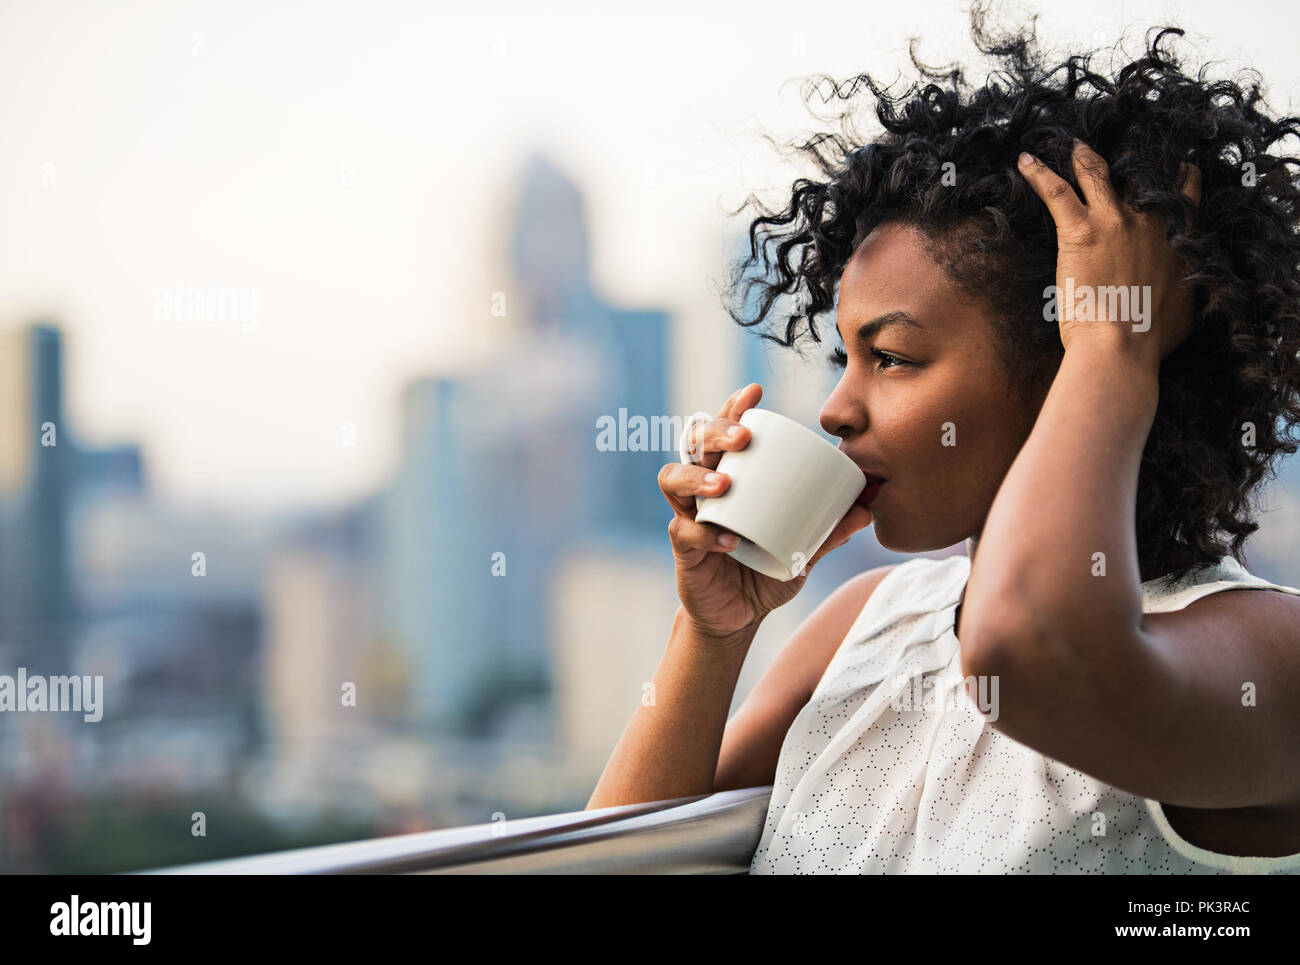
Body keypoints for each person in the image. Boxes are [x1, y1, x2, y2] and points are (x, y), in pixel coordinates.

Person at [587, 10, 1300, 873]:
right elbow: (612, 864)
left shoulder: (1268, 652)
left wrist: (1114, 344)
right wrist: (710, 638)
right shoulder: (863, 626)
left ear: (1060, 364)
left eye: (891, 357)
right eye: (843, 356)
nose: (838, 410)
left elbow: (1031, 653)